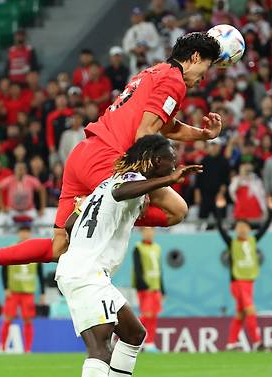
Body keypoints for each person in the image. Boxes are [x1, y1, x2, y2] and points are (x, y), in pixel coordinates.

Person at [0, 32, 223, 295]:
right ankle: (91, 210)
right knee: (177, 210)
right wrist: (141, 184)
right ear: (196, 57)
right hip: (108, 161)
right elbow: (145, 134)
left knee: (58, 248)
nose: (203, 78)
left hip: (82, 155)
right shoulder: (175, 81)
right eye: (207, 68)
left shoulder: (152, 73)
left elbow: (165, 125)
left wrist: (202, 135)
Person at [55, 134, 201, 377]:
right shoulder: (130, 179)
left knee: (134, 334)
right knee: (101, 351)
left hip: (87, 272)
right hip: (87, 273)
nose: (174, 166)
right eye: (170, 160)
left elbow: (71, 223)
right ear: (154, 160)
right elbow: (121, 192)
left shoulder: (106, 184)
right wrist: (168, 180)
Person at [215, 195, 272, 351]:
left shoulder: (253, 240)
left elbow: (265, 227)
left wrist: (271, 210)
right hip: (238, 282)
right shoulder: (231, 242)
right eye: (238, 227)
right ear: (235, 230)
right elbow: (220, 228)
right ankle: (257, 343)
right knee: (250, 310)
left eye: (244, 226)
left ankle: (231, 343)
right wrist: (220, 209)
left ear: (248, 229)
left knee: (241, 314)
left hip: (249, 281)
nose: (241, 229)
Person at [0, 225, 45, 353]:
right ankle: (2, 348)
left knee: (28, 320)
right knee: (8, 318)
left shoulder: (36, 250)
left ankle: (28, 349)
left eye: (27, 232)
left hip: (28, 291)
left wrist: (42, 292)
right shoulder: (12, 248)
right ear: (19, 233)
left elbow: (40, 272)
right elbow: (3, 268)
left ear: (29, 234)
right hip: (13, 290)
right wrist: (6, 287)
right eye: (22, 231)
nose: (25, 234)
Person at [131, 227, 164, 353]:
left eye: (151, 230)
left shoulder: (157, 248)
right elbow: (137, 268)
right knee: (147, 315)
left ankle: (150, 343)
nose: (149, 233)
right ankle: (125, 334)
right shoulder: (138, 247)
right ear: (142, 233)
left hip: (155, 287)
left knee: (153, 316)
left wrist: (163, 289)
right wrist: (143, 285)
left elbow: (160, 270)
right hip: (145, 287)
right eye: (146, 231)